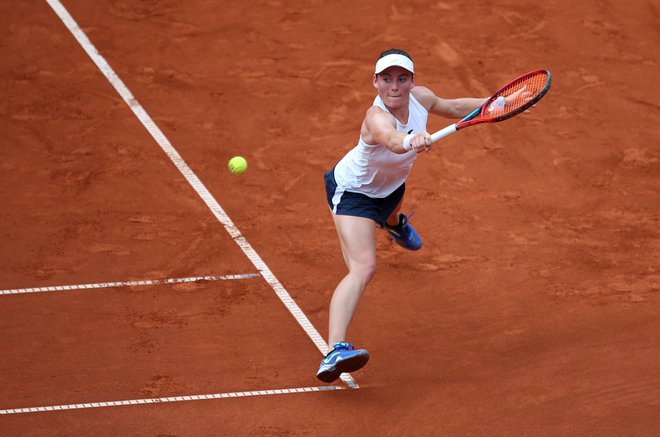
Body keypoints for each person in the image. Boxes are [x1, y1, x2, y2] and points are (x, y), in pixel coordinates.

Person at [316, 48, 494, 383]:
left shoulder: (421, 98)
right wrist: (412, 139)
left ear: (412, 81)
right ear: (376, 82)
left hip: (390, 188)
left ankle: (395, 224)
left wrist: (497, 102)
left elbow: (455, 107)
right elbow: (393, 140)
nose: (394, 86)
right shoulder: (375, 116)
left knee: (393, 204)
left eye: (402, 78)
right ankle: (333, 351)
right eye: (387, 79)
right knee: (364, 267)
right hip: (354, 194)